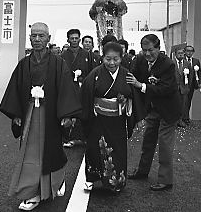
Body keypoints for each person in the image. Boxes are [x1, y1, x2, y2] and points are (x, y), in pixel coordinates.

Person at [0, 22, 82, 211]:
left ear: (48, 39)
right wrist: (16, 114)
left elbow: (66, 89)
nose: (37, 39)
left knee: (53, 151)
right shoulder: (23, 64)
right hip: (30, 116)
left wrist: (67, 115)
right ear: (29, 38)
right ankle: (32, 192)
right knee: (30, 154)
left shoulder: (58, 63)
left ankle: (57, 182)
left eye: (41, 36)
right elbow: (15, 90)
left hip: (51, 115)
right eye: (34, 36)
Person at [81, 42, 144, 193]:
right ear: (102, 58)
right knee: (94, 148)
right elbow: (85, 95)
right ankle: (91, 178)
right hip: (98, 119)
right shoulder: (95, 74)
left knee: (118, 151)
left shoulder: (126, 74)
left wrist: (138, 117)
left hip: (118, 120)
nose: (111, 63)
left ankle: (116, 182)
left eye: (116, 59)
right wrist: (84, 116)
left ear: (121, 58)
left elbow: (134, 96)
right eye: (108, 59)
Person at [126, 34, 181, 191]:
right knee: (148, 140)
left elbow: (167, 88)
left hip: (169, 110)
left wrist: (141, 85)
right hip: (153, 108)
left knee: (164, 144)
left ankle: (165, 180)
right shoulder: (140, 60)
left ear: (158, 48)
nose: (148, 54)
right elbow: (132, 76)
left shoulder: (168, 64)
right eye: (144, 50)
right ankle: (142, 171)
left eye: (151, 50)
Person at [61, 29, 90, 148]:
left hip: (83, 87)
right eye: (72, 38)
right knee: (69, 111)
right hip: (68, 87)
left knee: (82, 111)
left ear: (79, 39)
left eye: (76, 38)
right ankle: (68, 137)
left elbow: (90, 71)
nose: (74, 40)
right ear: (68, 39)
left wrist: (83, 79)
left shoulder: (86, 54)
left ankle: (82, 137)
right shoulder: (63, 55)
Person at [173, 48, 192, 128]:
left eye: (182, 53)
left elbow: (191, 76)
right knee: (173, 105)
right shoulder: (171, 63)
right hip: (174, 88)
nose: (180, 54)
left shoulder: (187, 64)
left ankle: (180, 120)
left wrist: (188, 87)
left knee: (182, 105)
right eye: (179, 53)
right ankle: (173, 121)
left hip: (183, 88)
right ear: (175, 54)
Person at [184, 45, 201, 124]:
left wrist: (200, 83)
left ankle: (186, 117)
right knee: (183, 102)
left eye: (191, 51)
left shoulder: (196, 61)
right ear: (185, 52)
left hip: (192, 84)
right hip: (183, 84)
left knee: (188, 101)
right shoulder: (182, 60)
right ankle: (182, 118)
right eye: (188, 51)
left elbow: (199, 72)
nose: (189, 53)